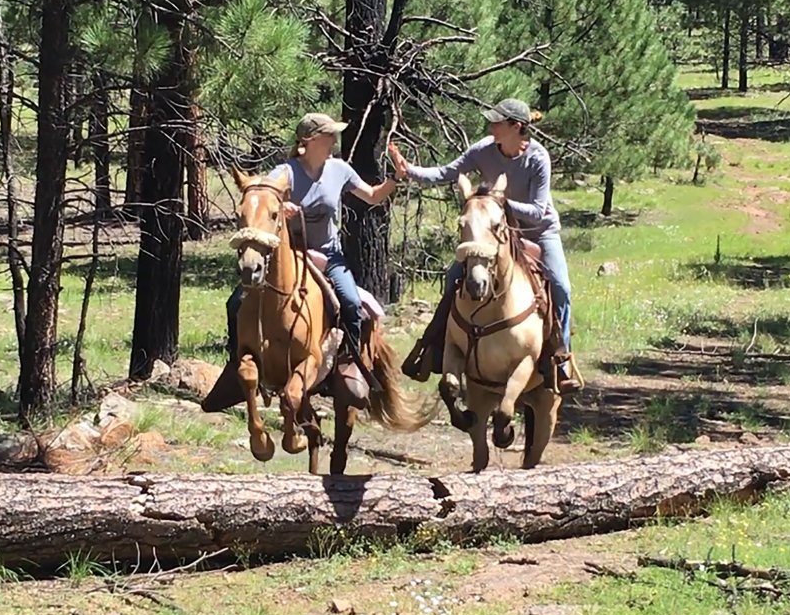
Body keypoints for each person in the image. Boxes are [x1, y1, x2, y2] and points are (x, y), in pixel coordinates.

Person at [388, 98, 581, 394]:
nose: (490, 126)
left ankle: (560, 358)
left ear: (516, 127)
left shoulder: (538, 158)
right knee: (455, 278)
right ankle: (436, 347)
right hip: (495, 233)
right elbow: (445, 173)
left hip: (539, 232)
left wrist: (501, 202)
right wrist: (409, 170)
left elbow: (539, 210)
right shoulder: (482, 150)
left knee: (561, 287)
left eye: (497, 122)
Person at [225, 113, 396, 364]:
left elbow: (372, 195)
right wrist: (283, 206)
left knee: (350, 302)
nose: (334, 141)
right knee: (235, 304)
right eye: (330, 136)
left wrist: (396, 179)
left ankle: (350, 363)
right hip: (290, 253)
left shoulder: (339, 169)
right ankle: (236, 361)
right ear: (311, 140)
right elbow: (265, 200)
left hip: (329, 255)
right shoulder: (284, 174)